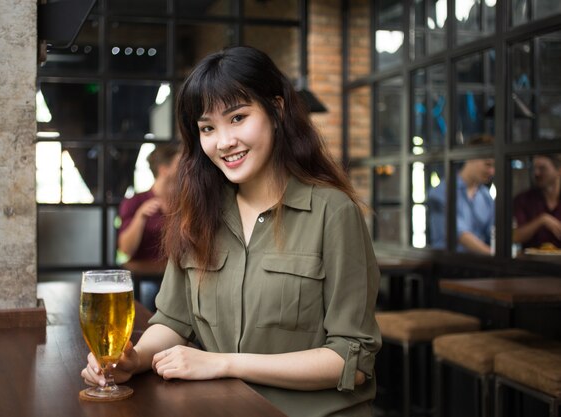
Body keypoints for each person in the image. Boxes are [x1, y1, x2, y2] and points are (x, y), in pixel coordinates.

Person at [82, 46, 381, 417]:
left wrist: (224, 363)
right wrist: (132, 360)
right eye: (207, 128)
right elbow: (173, 322)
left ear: (277, 109)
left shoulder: (332, 212)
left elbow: (351, 363)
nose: (223, 142)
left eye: (238, 118)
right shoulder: (197, 214)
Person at [117, 143, 181, 311]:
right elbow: (125, 250)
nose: (187, 168)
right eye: (180, 163)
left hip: (179, 276)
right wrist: (140, 217)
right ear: (164, 169)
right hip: (146, 279)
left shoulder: (185, 202)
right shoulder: (136, 202)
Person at [428, 134, 495, 255]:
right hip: (449, 264)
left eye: (494, 166)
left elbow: (493, 232)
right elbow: (459, 234)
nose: (492, 171)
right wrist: (493, 255)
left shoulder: (486, 196)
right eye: (488, 164)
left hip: (482, 264)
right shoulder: (441, 192)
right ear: (470, 158)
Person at [513, 154, 561, 249]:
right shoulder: (523, 199)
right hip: (531, 262)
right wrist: (542, 220)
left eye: (542, 168)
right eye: (534, 169)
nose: (536, 173)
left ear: (559, 170)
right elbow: (515, 237)